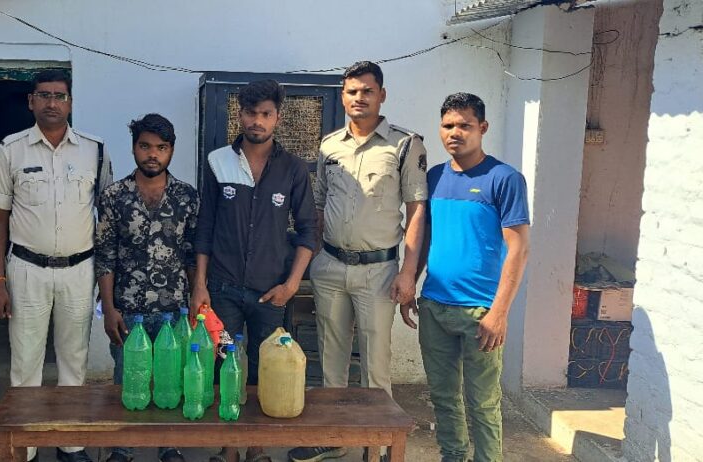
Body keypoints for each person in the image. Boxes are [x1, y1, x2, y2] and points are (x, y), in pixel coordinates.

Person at [289, 60, 428, 462]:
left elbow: (417, 210)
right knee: (330, 360)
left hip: (379, 271)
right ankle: (333, 437)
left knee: (374, 364)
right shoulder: (329, 145)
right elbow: (319, 205)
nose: (359, 98)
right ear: (342, 96)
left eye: (367, 91)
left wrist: (408, 272)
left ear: (382, 95)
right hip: (331, 266)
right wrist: (315, 256)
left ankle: (378, 446)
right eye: (352, 91)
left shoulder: (405, 144)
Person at [0, 69, 112, 462]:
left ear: (70, 102)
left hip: (79, 270)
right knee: (26, 364)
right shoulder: (10, 150)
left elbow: (106, 217)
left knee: (74, 362)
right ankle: (25, 450)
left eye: (60, 96)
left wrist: (105, 281)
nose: (52, 103)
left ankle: (70, 446)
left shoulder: (94, 150)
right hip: (27, 269)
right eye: (44, 95)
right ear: (31, 101)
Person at [191, 79, 319, 462]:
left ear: (277, 117)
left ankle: (257, 447)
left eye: (266, 114)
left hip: (270, 293)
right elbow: (205, 227)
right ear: (240, 114)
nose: (257, 121)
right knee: (224, 363)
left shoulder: (293, 169)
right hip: (222, 290)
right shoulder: (218, 162)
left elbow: (309, 230)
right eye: (251, 113)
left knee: (265, 368)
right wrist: (200, 284)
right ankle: (229, 446)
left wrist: (291, 285)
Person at [401, 93, 530, 462]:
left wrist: (499, 312)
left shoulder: (504, 179)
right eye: (447, 125)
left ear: (482, 128)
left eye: (464, 125)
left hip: (480, 313)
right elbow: (425, 239)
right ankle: (453, 456)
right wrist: (410, 285)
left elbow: (519, 249)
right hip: (435, 306)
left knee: (483, 402)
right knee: (443, 397)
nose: (454, 133)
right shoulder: (434, 177)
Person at [96, 114, 196, 462]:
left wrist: (197, 297)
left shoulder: (186, 197)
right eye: (145, 146)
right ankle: (121, 447)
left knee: (171, 380)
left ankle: (169, 445)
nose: (153, 154)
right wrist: (109, 309)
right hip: (128, 310)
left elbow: (192, 253)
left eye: (161, 148)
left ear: (171, 150)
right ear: (134, 148)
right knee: (128, 380)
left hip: (174, 310)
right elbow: (105, 256)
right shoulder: (114, 196)